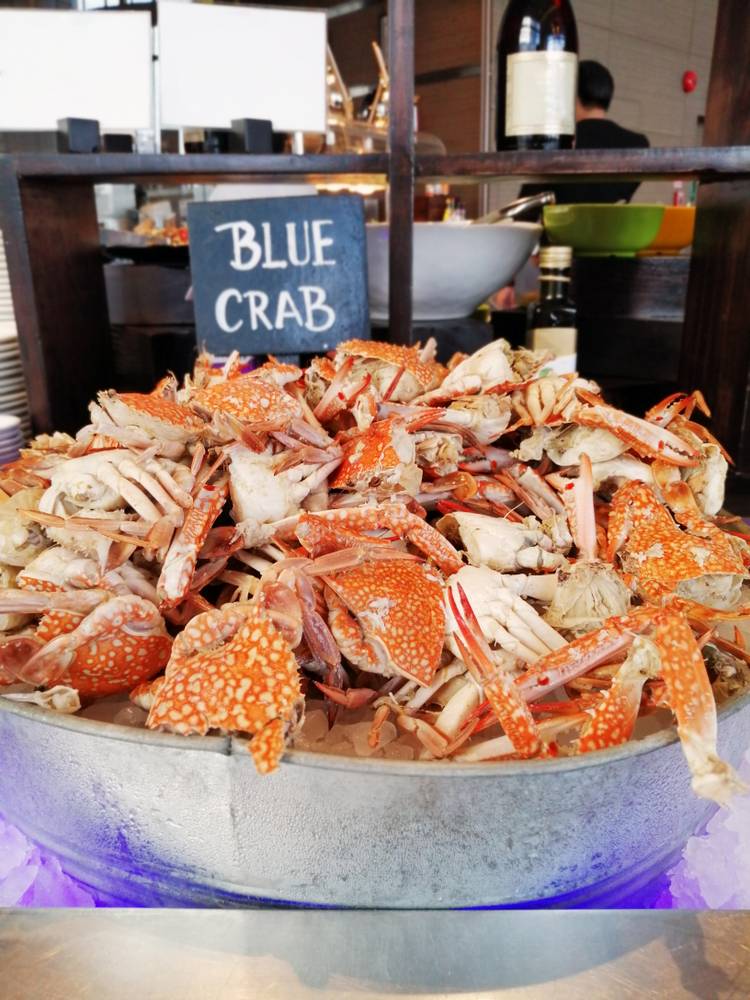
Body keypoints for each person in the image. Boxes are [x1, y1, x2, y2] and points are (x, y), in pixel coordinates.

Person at [521, 60, 650, 204]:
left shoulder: (553, 143)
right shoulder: (638, 144)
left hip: (560, 226)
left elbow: (526, 209)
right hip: (613, 227)